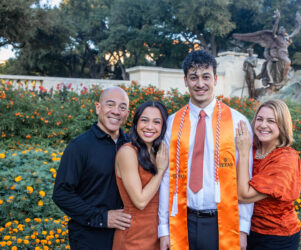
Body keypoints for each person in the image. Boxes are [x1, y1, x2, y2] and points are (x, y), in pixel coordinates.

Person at [158, 50, 254, 250]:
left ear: (215, 79)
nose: (200, 84)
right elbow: (166, 178)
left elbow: (245, 176)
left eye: (205, 77)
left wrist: (243, 229)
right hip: (182, 219)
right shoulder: (172, 123)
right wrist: (163, 228)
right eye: (193, 77)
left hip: (223, 222)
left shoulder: (238, 122)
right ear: (185, 81)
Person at [53, 86, 132, 249]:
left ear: (127, 113)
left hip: (126, 236)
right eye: (110, 104)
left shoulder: (132, 145)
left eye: (122, 107)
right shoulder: (80, 146)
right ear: (98, 108)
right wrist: (102, 217)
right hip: (89, 238)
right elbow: (61, 194)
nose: (116, 111)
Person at [235, 99, 301, 250]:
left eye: (271, 121)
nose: (263, 125)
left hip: (276, 236)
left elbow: (243, 196)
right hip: (246, 231)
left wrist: (243, 153)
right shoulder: (253, 149)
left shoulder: (286, 159)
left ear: (282, 125)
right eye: (259, 119)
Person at [112, 101, 169, 250]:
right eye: (144, 120)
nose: (149, 127)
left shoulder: (160, 153)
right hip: (134, 235)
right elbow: (140, 201)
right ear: (136, 123)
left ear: (163, 127)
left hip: (158, 234)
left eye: (156, 122)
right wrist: (161, 170)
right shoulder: (128, 152)